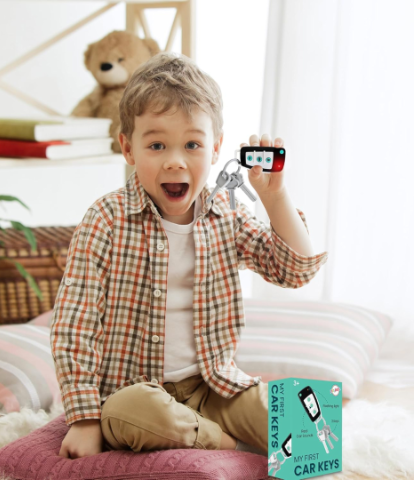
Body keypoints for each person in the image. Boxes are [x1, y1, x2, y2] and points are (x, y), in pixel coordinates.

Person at [50, 51, 329, 460]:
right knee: (132, 412)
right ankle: (232, 450)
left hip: (213, 388)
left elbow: (295, 271)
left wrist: (276, 197)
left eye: (192, 144)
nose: (175, 161)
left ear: (215, 148)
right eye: (156, 145)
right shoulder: (105, 220)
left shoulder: (227, 215)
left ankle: (216, 434)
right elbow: (75, 327)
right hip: (133, 394)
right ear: (128, 148)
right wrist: (84, 419)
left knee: (298, 415)